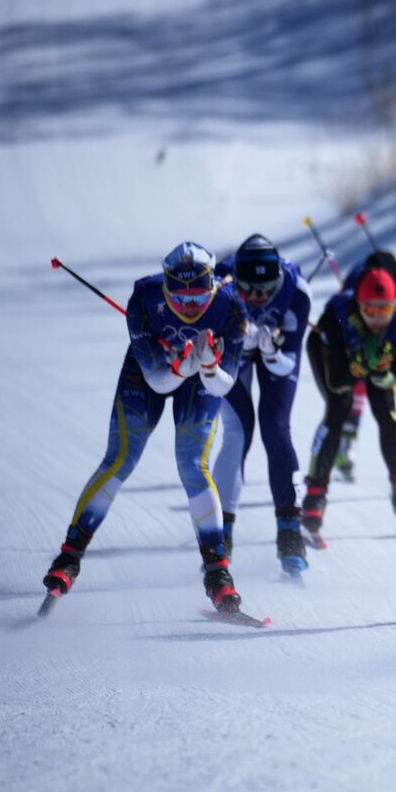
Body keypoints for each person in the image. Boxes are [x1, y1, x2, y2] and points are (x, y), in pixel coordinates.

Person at [42, 242, 249, 613]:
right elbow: (158, 381)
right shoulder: (144, 296)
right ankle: (69, 557)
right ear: (166, 288)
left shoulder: (232, 305)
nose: (189, 306)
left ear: (214, 286)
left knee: (193, 465)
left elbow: (225, 385)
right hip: (149, 372)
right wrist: (182, 366)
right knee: (121, 458)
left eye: (199, 296)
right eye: (180, 297)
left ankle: (218, 573)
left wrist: (207, 368)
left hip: (199, 378)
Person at [211, 234, 312, 578]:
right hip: (233, 355)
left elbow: (287, 363)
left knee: (276, 427)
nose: (258, 297)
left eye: (266, 290)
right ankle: (220, 535)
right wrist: (236, 342)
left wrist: (269, 350)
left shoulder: (297, 292)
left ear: (279, 280)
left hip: (275, 354)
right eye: (249, 290)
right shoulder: (218, 289)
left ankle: (290, 532)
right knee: (238, 432)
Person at [301, 266, 396, 546]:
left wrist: (382, 371)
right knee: (337, 411)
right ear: (359, 305)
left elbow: (395, 370)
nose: (378, 318)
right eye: (370, 311)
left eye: (384, 311)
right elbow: (337, 382)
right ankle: (314, 497)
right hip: (331, 352)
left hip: (372, 359)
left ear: (395, 306)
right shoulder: (338, 314)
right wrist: (354, 367)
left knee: (389, 415)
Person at [330, 251, 396, 482]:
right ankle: (346, 446)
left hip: (381, 336)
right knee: (358, 386)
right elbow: (339, 311)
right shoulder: (357, 279)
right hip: (356, 338)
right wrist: (349, 338)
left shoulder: (393, 277)